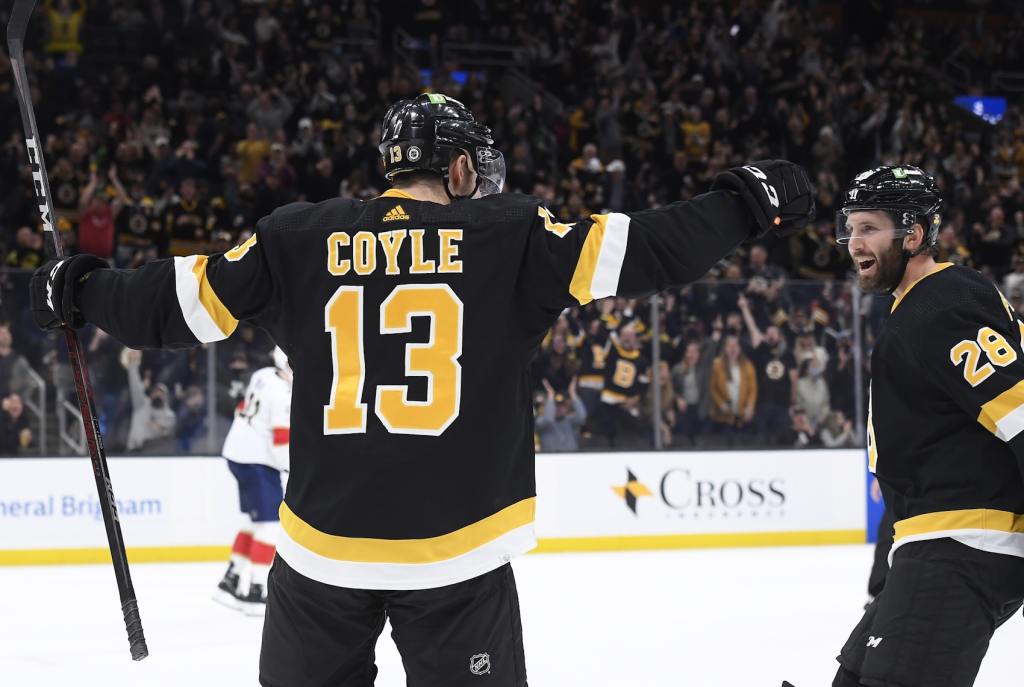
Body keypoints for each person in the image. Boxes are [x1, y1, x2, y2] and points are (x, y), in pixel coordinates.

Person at [31, 93, 813, 687]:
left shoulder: (299, 235)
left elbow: (173, 306)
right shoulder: (510, 235)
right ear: (462, 168)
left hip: (320, 557)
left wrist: (83, 289)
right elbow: (653, 250)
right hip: (457, 559)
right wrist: (743, 199)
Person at [830, 166, 1024, 687]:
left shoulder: (944, 304)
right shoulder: (921, 307)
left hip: (963, 547)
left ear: (913, 234)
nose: (854, 242)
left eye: (868, 228)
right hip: (932, 546)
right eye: (850, 229)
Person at [215, 347, 292, 616]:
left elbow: (242, 409)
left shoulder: (263, 375)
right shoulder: (282, 393)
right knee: (271, 524)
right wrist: (292, 469)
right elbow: (280, 441)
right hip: (257, 460)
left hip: (238, 453)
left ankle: (231, 579)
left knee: (255, 522)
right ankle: (257, 590)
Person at [534, 377, 586, 452]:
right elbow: (548, 420)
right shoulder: (541, 421)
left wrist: (572, 393)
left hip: (571, 458)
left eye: (562, 405)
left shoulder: (570, 420)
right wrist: (550, 396)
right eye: (556, 405)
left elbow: (582, 417)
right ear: (550, 407)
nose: (559, 408)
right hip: (550, 460)